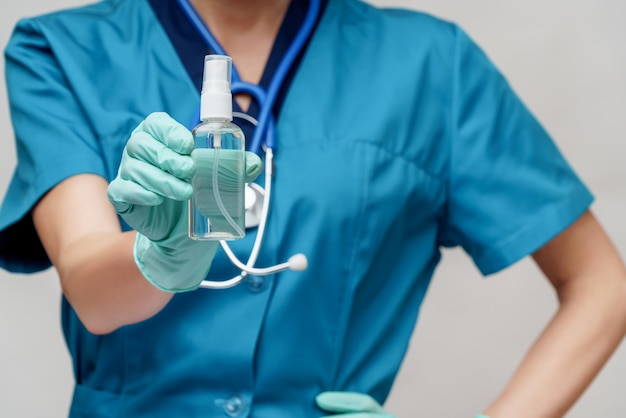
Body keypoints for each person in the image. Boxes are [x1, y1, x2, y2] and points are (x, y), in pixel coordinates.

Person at [1, 0, 625, 416]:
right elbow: (92, 289)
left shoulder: (431, 66)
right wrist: (161, 253)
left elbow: (603, 285)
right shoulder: (62, 52)